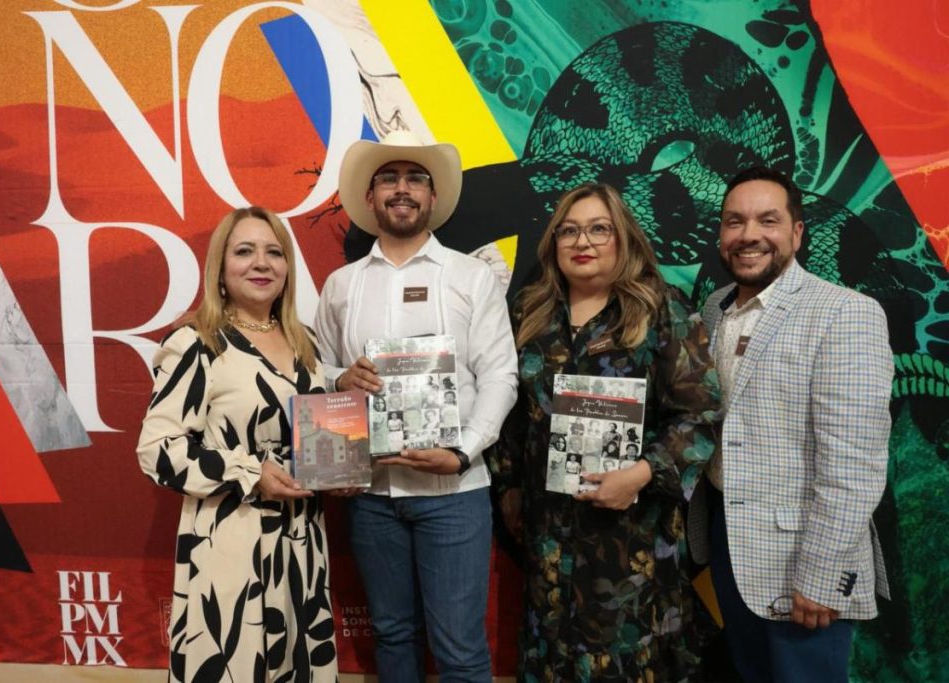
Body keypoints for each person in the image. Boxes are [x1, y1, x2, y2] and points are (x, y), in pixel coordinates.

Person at [491, 182, 721, 681]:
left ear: (624, 238)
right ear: (554, 242)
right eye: (569, 231)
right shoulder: (530, 313)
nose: (583, 242)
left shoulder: (660, 310)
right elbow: (511, 411)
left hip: (630, 537)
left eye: (599, 229)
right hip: (548, 536)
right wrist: (508, 486)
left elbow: (700, 413)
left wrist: (641, 474)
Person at [314, 130, 518, 682]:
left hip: (454, 493)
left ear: (432, 196)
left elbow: (501, 375)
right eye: (388, 178)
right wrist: (340, 377)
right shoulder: (340, 286)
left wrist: (463, 451)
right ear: (370, 197)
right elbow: (317, 373)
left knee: (459, 650)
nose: (401, 189)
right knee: (392, 636)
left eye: (414, 178)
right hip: (371, 495)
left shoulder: (472, 277)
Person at [687, 166, 893, 682]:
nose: (749, 234)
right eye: (734, 221)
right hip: (728, 540)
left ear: (797, 232)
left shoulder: (846, 313)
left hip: (804, 557)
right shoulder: (713, 309)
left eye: (768, 220)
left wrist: (823, 574)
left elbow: (855, 464)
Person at [136, 207, 346, 683]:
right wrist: (249, 474)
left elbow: (315, 433)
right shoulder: (198, 342)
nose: (261, 263)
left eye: (274, 252)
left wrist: (339, 472)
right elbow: (157, 449)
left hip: (302, 542)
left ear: (288, 266)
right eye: (245, 251)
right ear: (221, 267)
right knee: (235, 660)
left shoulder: (306, 343)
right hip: (233, 540)